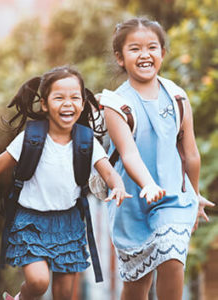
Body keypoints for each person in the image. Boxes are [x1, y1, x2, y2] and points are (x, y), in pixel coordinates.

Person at [0, 66, 131, 300]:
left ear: (82, 104)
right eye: (59, 97)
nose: (67, 103)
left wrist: (118, 186)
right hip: (31, 221)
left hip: (68, 222)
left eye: (74, 97)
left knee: (63, 294)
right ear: (45, 104)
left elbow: (108, 172)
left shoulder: (86, 140)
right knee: (38, 282)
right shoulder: (32, 137)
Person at [99, 17, 215, 300]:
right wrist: (148, 184)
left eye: (152, 47)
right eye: (134, 49)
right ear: (120, 57)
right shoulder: (115, 105)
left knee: (172, 259)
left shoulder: (177, 97)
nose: (145, 55)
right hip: (132, 203)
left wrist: (195, 193)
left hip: (174, 197)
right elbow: (128, 154)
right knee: (137, 284)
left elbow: (190, 153)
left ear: (162, 53)